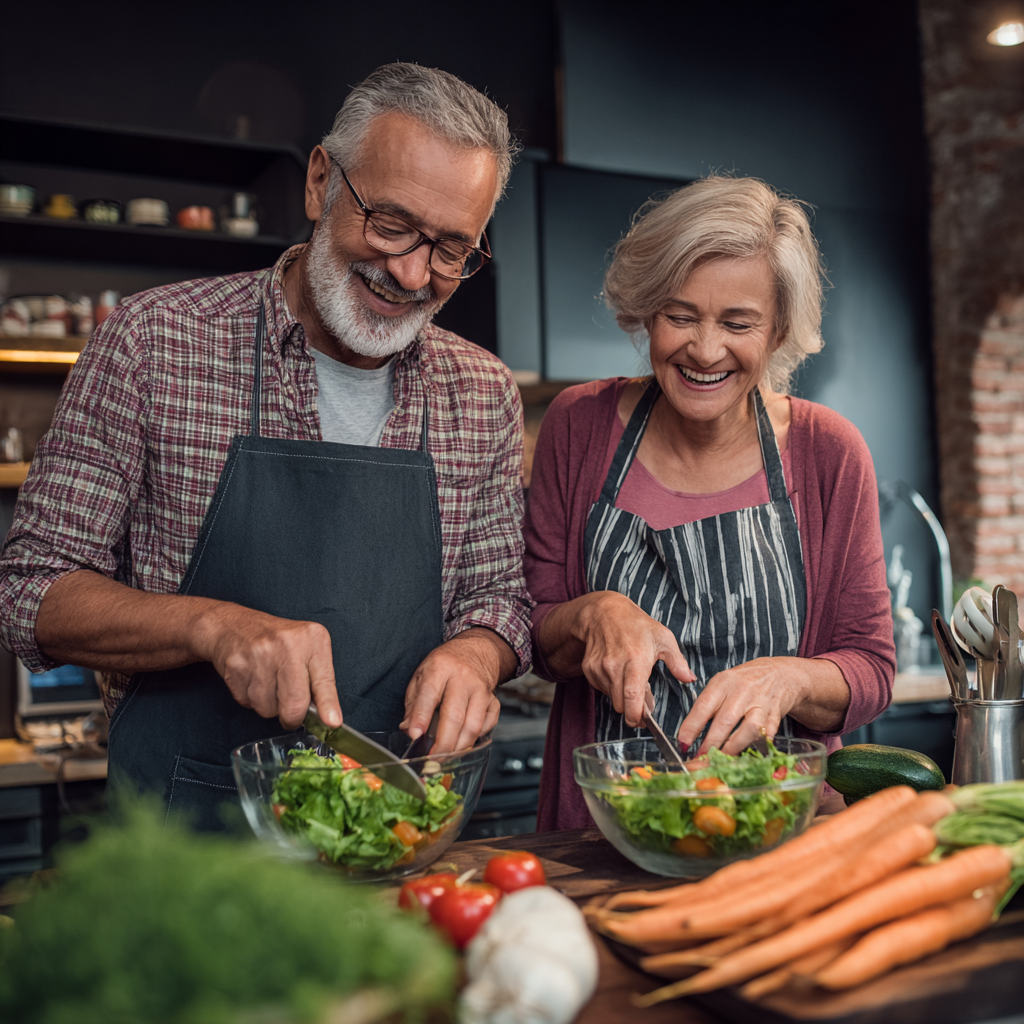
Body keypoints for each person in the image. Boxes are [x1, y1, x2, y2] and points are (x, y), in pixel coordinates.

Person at [0, 64, 532, 830]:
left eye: (452, 249)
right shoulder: (154, 342)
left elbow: (497, 599)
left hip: (395, 826)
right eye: (390, 224)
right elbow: (32, 591)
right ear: (321, 182)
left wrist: (478, 655)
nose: (412, 273)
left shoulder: (481, 392)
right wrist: (210, 626)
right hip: (187, 839)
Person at [524, 176, 896, 829]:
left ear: (778, 330)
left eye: (738, 322)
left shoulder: (829, 451)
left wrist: (792, 680)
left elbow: (870, 669)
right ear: (645, 310)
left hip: (773, 827)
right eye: (681, 315)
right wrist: (592, 613)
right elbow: (536, 637)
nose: (704, 349)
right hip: (600, 832)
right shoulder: (576, 425)